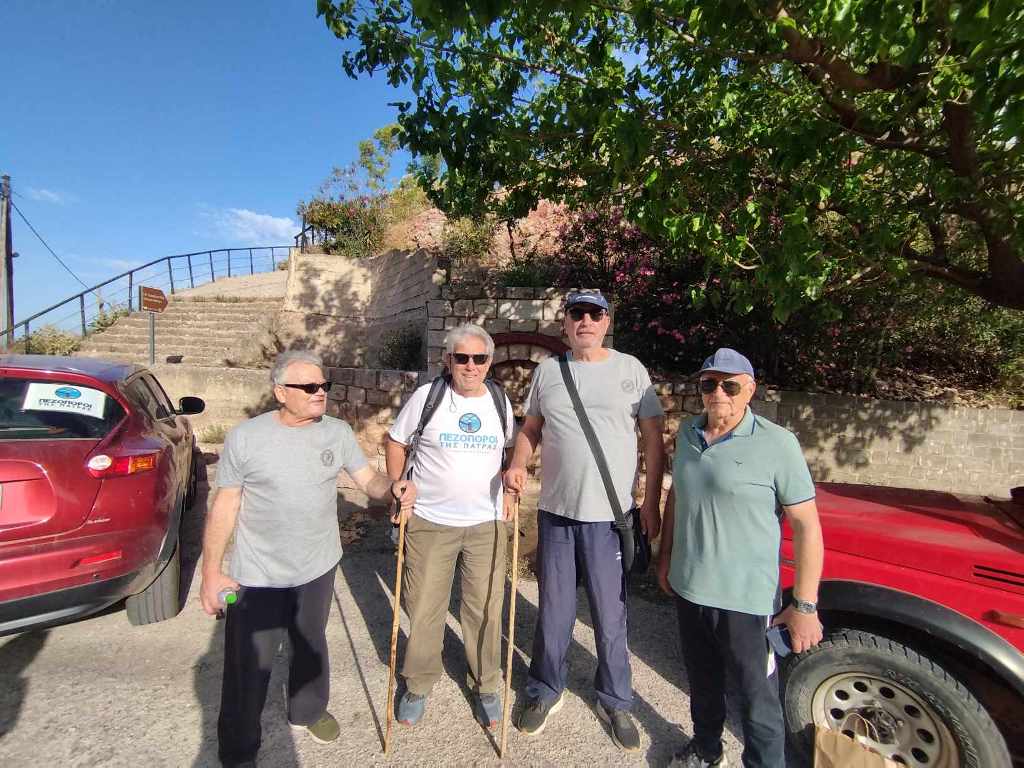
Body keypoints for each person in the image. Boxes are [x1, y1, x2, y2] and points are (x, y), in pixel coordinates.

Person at [200, 350, 416, 768]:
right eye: (310, 387)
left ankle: (308, 710)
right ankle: (240, 750)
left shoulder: (335, 432)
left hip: (318, 566)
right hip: (258, 573)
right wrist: (211, 571)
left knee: (310, 642)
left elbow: (368, 480)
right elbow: (225, 505)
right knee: (250, 664)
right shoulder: (246, 438)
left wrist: (394, 488)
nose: (321, 393)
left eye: (324, 386)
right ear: (281, 392)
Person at [504, 291, 665, 752]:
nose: (586, 320)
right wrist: (518, 464)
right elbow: (531, 429)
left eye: (595, 313)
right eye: (578, 313)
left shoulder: (631, 370)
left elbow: (653, 442)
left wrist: (650, 503)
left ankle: (615, 699)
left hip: (610, 519)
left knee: (610, 615)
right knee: (553, 609)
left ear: (607, 321)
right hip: (557, 511)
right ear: (566, 324)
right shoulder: (549, 372)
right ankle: (544, 690)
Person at [657, 348, 824, 768]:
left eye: (730, 385)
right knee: (703, 681)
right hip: (690, 588)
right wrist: (666, 558)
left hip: (746, 599)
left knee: (757, 696)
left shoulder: (777, 443)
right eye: (709, 384)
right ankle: (706, 748)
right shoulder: (689, 435)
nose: (719, 393)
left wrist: (804, 605)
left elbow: (807, 527)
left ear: (750, 390)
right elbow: (678, 496)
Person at [384, 323, 515, 729]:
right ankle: (419, 683)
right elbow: (395, 441)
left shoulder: (499, 399)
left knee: (485, 607)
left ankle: (487, 684)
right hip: (430, 521)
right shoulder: (428, 397)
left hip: (486, 522)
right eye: (462, 358)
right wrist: (397, 484)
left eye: (479, 358)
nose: (470, 366)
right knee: (424, 606)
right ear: (448, 360)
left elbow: (509, 450)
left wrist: (511, 484)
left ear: (490, 363)